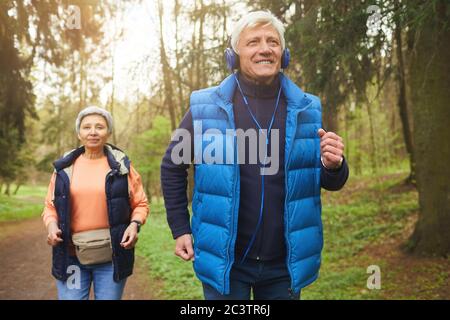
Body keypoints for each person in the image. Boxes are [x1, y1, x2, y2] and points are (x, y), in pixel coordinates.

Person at [161, 11, 349, 300]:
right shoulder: (205, 108)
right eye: (253, 42)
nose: (264, 48)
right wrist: (180, 228)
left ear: (283, 54)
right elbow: (172, 165)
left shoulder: (306, 108)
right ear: (234, 55)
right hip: (226, 263)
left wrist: (333, 166)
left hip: (284, 265)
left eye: (272, 41)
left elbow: (326, 179)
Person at [42, 106, 149, 300]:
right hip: (70, 256)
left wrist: (135, 224)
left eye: (99, 126)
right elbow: (50, 206)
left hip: (112, 256)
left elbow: (141, 204)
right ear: (79, 133)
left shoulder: (122, 167)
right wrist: (51, 226)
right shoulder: (64, 169)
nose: (93, 131)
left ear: (108, 132)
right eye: (87, 127)